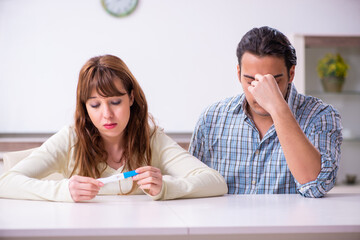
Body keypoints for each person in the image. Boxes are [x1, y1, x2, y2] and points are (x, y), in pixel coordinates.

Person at [0, 54, 227, 202]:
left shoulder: (152, 138)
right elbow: (5, 182)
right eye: (95, 105)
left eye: (115, 102)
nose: (106, 114)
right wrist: (63, 191)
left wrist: (165, 187)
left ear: (131, 98)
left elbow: (216, 182)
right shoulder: (71, 139)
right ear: (85, 108)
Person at [189, 26, 342, 198]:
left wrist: (277, 107)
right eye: (251, 81)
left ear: (291, 74)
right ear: (239, 73)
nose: (260, 91)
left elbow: (316, 186)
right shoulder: (212, 118)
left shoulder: (321, 115)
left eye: (272, 82)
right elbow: (193, 187)